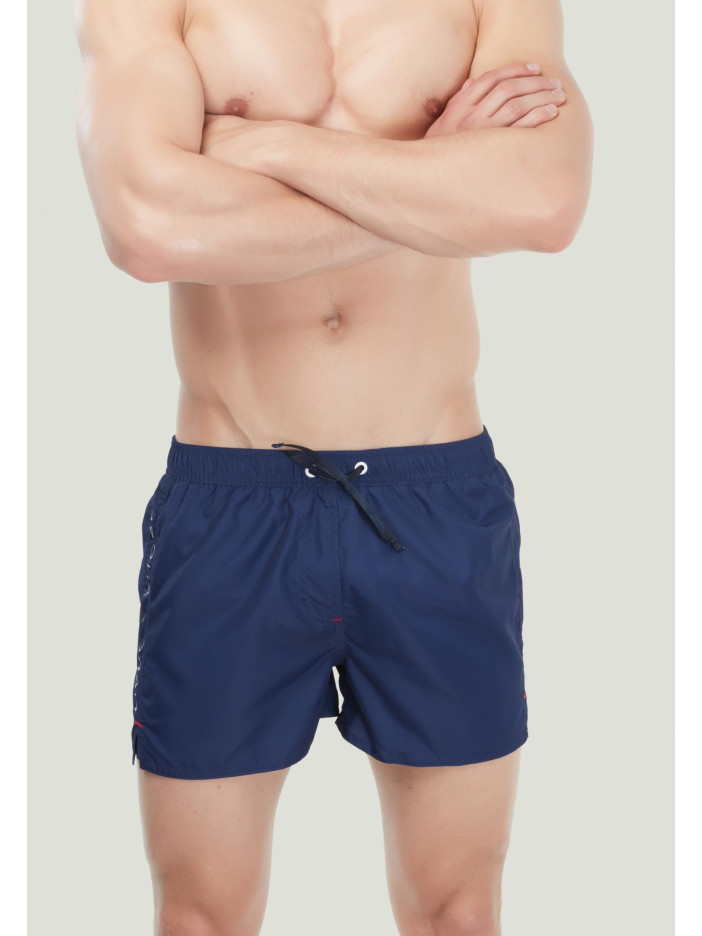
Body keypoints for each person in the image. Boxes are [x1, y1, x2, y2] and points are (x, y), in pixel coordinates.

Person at [75, 0, 593, 932]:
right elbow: (146, 227)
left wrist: (266, 145)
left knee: (459, 911)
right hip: (232, 499)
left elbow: (543, 202)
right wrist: (436, 180)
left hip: (435, 498)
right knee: (199, 915)